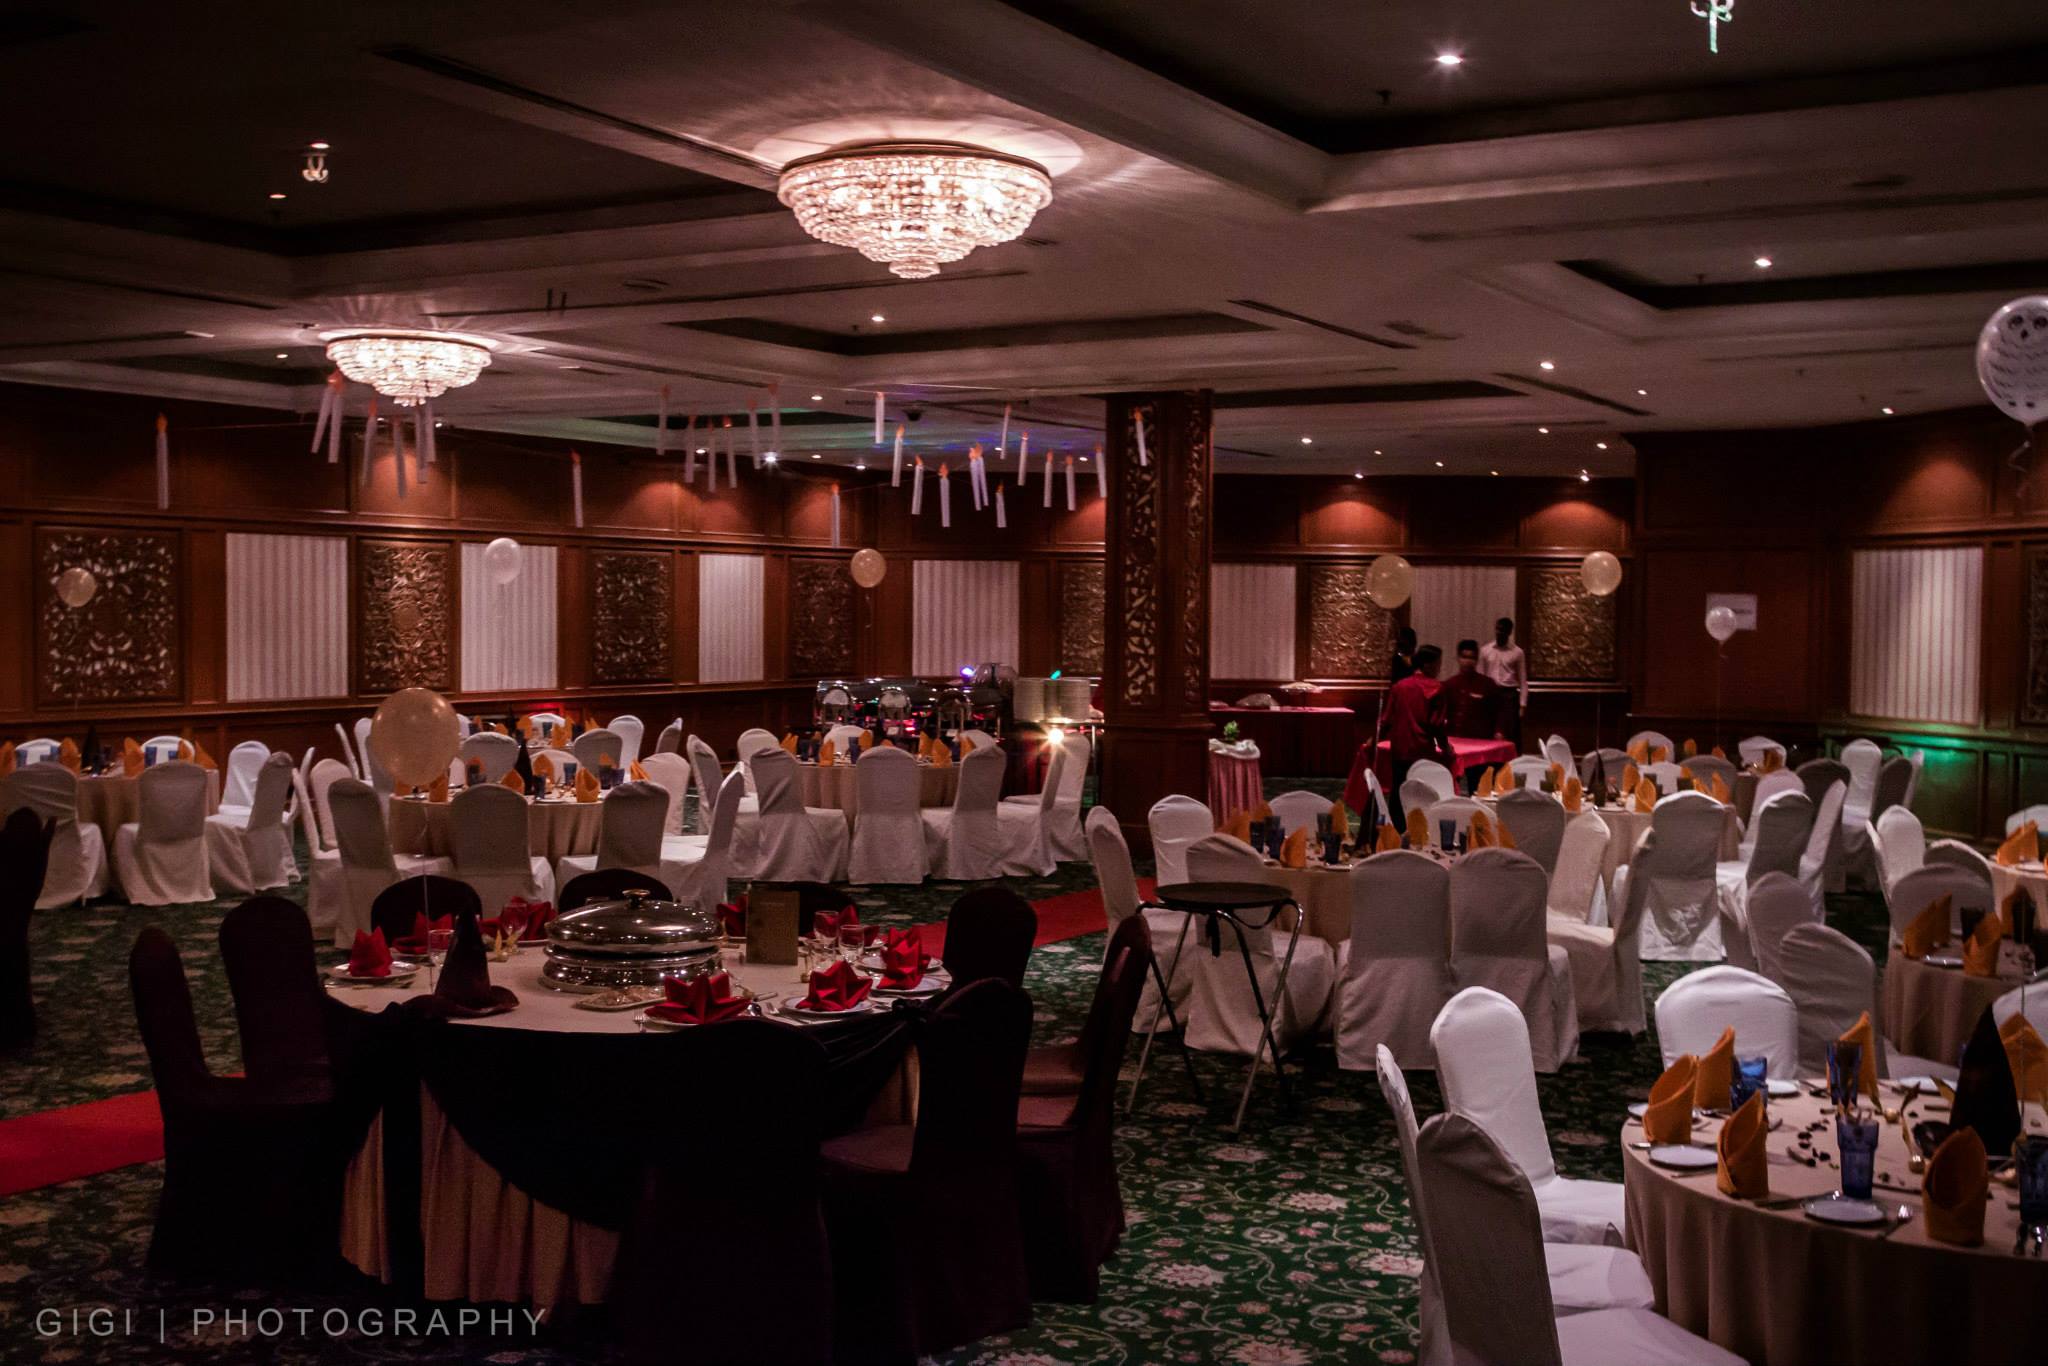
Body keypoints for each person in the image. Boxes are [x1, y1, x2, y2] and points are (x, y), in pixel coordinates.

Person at [1380, 644, 1450, 829]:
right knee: (1422, 793)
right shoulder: (1436, 688)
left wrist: (1374, 740)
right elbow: (1437, 724)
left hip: (1400, 748)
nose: (1439, 669)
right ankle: (1420, 829)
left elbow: (1386, 719)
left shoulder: (1399, 686)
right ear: (1427, 665)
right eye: (1438, 664)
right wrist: (1445, 747)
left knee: (1398, 790)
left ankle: (1396, 831)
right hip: (1422, 749)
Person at [1440, 640, 1505, 792]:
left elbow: (1499, 711)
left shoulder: (1487, 685)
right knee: (1449, 785)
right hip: (1454, 743)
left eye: (1472, 658)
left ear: (1476, 660)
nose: (1468, 661)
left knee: (1478, 787)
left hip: (1479, 745)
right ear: (1458, 658)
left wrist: (1499, 731)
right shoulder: (1450, 685)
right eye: (1464, 657)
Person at [1478, 617, 1528, 744]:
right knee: (1490, 728)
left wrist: (1522, 705)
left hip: (1509, 695)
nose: (1499, 632)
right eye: (1498, 629)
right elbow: (1481, 676)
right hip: (1491, 693)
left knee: (1510, 731)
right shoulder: (1485, 650)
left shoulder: (1517, 652)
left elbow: (1523, 680)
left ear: (1509, 632)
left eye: (1503, 630)